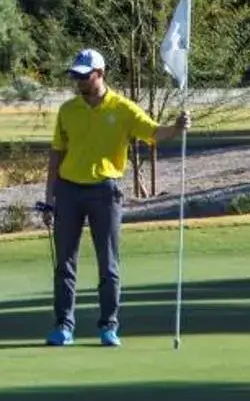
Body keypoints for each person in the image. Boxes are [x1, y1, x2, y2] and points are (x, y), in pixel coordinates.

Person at [44, 48, 185, 348]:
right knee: (64, 265)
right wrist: (49, 198)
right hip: (68, 190)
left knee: (108, 264)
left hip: (105, 191)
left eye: (85, 76)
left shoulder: (123, 108)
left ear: (100, 73)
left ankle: (108, 326)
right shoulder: (68, 110)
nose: (79, 82)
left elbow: (153, 133)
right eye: (76, 76)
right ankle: (63, 326)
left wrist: (176, 128)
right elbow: (57, 153)